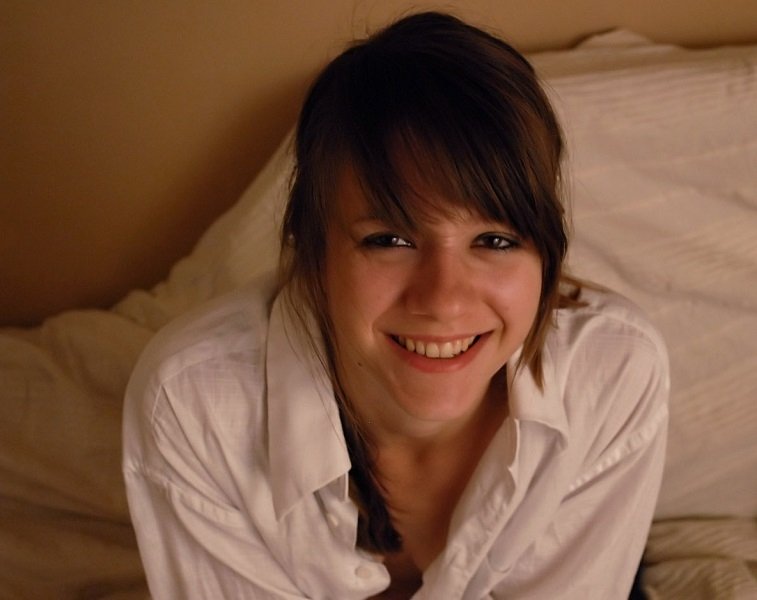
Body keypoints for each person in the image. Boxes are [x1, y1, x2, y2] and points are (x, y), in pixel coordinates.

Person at [122, 11, 669, 599]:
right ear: (311, 248)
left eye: (495, 241)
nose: (443, 300)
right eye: (390, 240)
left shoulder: (612, 370)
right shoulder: (194, 403)